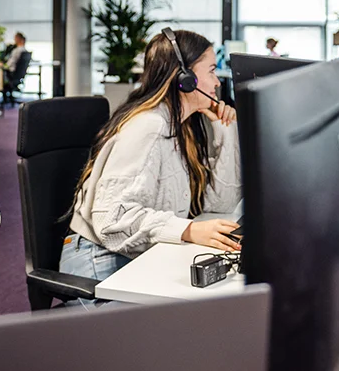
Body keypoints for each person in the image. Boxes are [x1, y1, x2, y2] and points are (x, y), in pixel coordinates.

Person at [60, 29, 242, 286]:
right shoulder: (148, 126)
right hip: (97, 261)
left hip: (139, 254)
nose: (218, 82)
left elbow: (221, 204)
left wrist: (226, 130)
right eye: (211, 71)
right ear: (185, 78)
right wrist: (188, 230)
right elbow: (110, 218)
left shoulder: (183, 128)